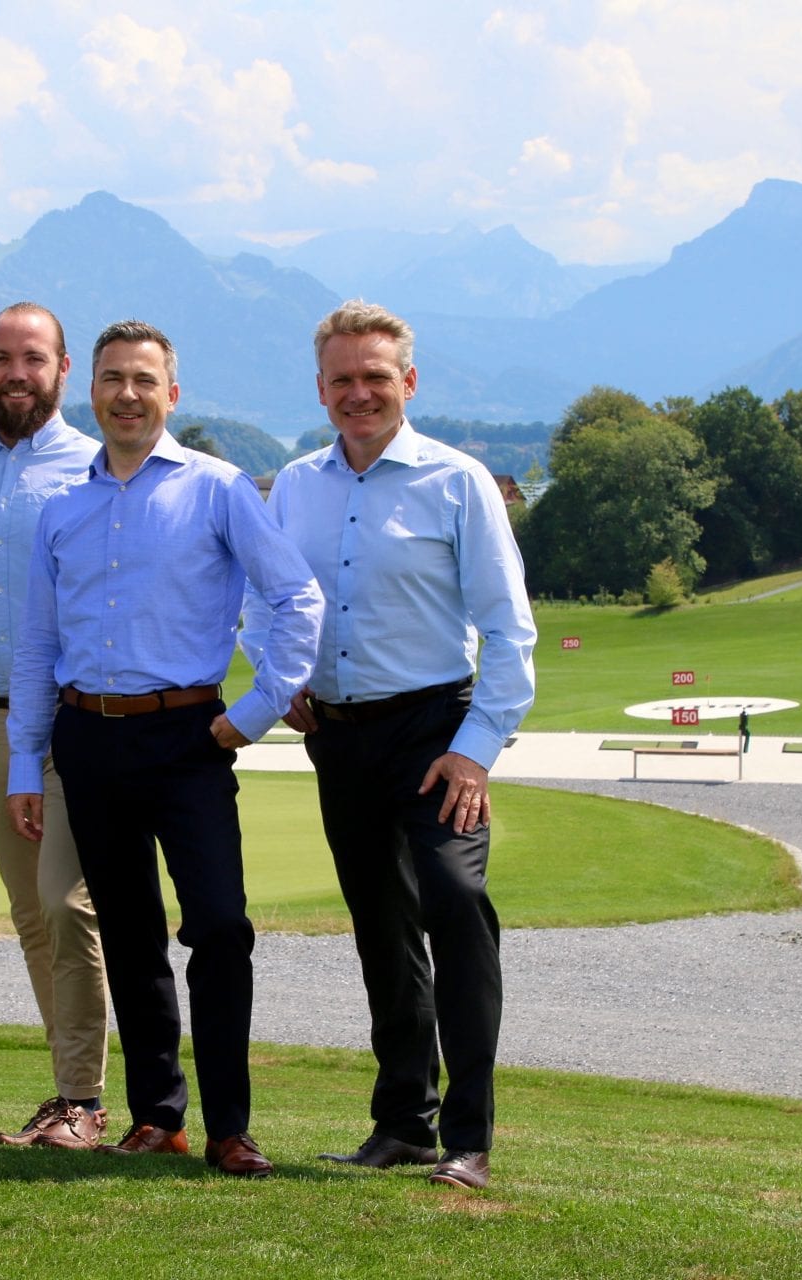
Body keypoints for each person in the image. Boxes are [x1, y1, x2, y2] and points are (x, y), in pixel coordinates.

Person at [5, 320, 323, 1178]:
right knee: (132, 936)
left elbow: (296, 596)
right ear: (92, 390)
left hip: (188, 735)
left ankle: (230, 1128)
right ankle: (158, 1117)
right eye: (112, 379)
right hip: (88, 737)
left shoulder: (218, 489)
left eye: (144, 380)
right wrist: (23, 763)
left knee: (219, 926)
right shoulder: (64, 508)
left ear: (170, 394)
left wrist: (252, 713)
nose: (127, 394)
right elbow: (36, 644)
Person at [242, 300, 538, 1190]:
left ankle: (471, 1138)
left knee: (455, 905)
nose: (359, 393)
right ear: (322, 387)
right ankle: (402, 1123)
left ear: (408, 381)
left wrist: (476, 750)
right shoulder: (295, 483)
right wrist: (279, 676)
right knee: (382, 931)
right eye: (343, 379)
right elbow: (269, 602)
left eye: (377, 377)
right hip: (340, 736)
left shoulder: (458, 481)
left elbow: (510, 630)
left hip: (435, 734)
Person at [0, 302, 111, 1149]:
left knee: (67, 902)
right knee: (31, 913)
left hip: (73, 720)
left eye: (32, 358)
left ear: (63, 370)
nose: (15, 373)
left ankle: (87, 1095)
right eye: (1, 357)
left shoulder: (96, 464)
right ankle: (69, 1092)